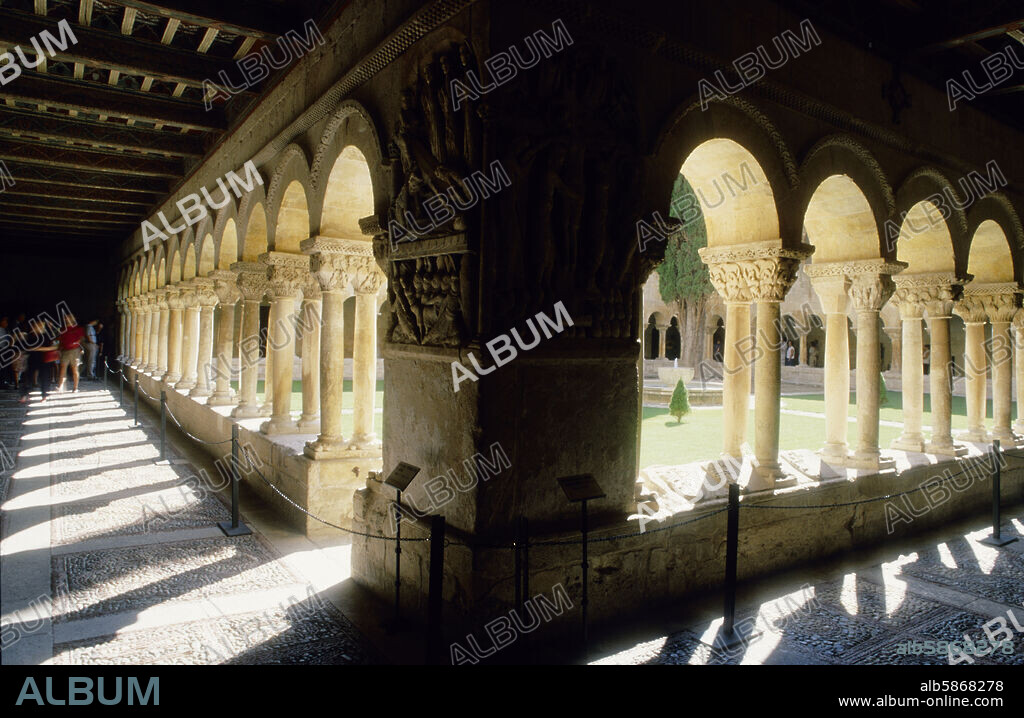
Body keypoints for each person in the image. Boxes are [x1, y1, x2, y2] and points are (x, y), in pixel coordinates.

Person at [18, 319, 58, 403]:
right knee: (28, 377)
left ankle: (44, 396)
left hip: (44, 360)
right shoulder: (30, 336)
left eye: (41, 326)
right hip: (32, 359)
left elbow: (54, 347)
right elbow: (27, 347)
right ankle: (24, 395)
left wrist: (39, 348)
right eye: (37, 326)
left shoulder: (47, 336)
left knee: (44, 378)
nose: (38, 327)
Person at [56, 314, 86, 393]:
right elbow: (60, 340)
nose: (66, 319)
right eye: (65, 318)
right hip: (65, 350)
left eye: (68, 318)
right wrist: (59, 349)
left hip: (75, 350)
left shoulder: (78, 328)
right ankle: (60, 387)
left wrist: (76, 343)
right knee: (62, 369)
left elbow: (81, 338)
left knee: (75, 369)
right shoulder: (63, 329)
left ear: (73, 319)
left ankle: (75, 388)